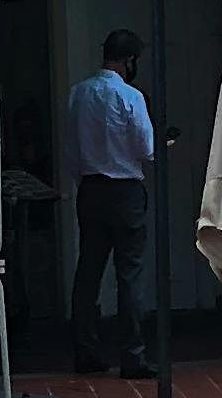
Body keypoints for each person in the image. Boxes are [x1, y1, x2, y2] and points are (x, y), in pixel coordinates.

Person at [65, 28, 155, 379]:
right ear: (130, 60)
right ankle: (132, 356)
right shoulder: (130, 96)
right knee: (129, 274)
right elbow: (146, 148)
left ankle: (85, 351)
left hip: (90, 189)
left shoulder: (78, 94)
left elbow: (71, 147)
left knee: (88, 272)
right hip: (125, 190)